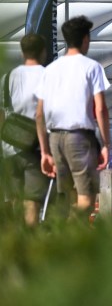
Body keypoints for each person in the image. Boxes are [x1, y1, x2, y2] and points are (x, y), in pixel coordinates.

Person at [34, 16, 112, 220]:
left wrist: (44, 151)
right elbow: (101, 108)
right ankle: (62, 236)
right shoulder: (91, 67)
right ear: (85, 39)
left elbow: (39, 113)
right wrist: (106, 144)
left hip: (55, 139)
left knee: (69, 199)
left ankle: (73, 246)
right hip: (79, 138)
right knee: (86, 200)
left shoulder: (50, 70)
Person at [6, 34, 47, 225]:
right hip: (36, 148)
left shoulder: (7, 78)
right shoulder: (46, 75)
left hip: (8, 148)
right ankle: (30, 243)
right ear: (43, 52)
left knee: (14, 199)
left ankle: (15, 241)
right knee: (32, 200)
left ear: (22, 52)